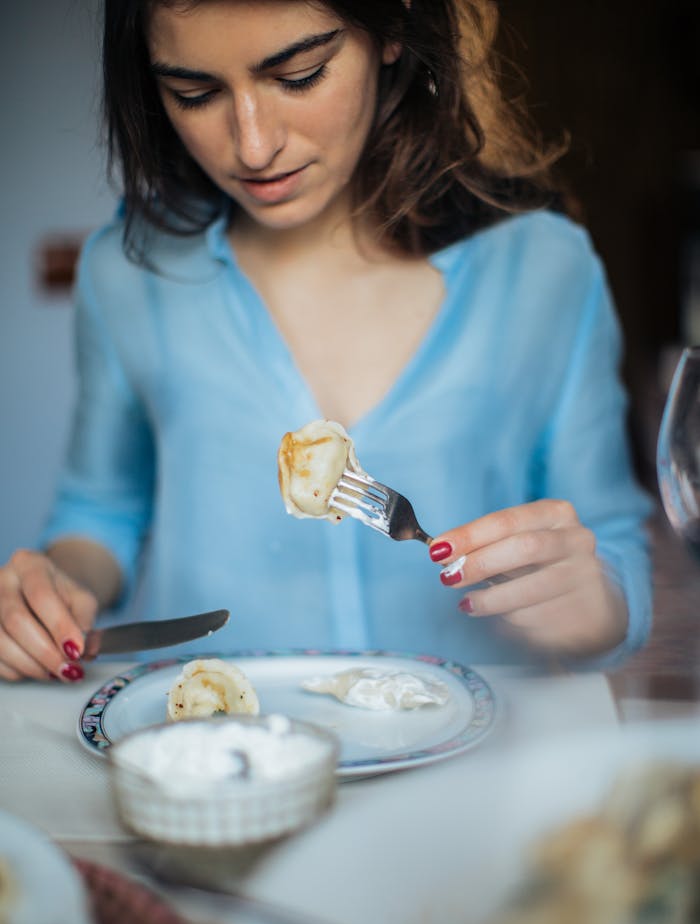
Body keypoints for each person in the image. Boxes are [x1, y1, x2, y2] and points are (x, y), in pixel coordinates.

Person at [0, 0, 652, 683]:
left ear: (393, 30)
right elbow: (100, 509)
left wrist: (597, 606)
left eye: (301, 75)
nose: (252, 146)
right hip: (218, 763)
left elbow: (612, 544)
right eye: (194, 93)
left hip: (482, 771)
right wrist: (53, 589)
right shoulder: (127, 271)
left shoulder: (546, 269)